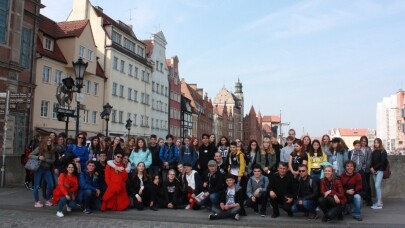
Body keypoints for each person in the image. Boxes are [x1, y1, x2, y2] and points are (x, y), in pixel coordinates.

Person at [29, 136, 55, 207]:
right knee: (37, 186)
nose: (49, 142)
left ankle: (47, 199)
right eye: (48, 140)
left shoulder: (52, 149)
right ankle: (37, 201)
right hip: (39, 168)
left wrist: (46, 160)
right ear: (45, 141)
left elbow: (53, 160)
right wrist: (38, 157)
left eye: (50, 140)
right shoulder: (40, 148)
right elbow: (30, 155)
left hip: (47, 169)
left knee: (51, 185)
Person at [370, 138, 387, 210]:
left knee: (377, 186)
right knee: (377, 186)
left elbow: (382, 162)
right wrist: (371, 168)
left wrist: (374, 168)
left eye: (377, 143)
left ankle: (379, 203)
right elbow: (371, 161)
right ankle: (379, 201)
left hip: (380, 170)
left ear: (380, 143)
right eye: (375, 143)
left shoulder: (383, 151)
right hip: (374, 171)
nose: (376, 144)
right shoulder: (373, 151)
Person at [360, 135, 373, 206]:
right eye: (362, 141)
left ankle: (369, 200)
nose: (363, 142)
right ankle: (363, 199)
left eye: (364, 141)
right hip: (359, 170)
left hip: (366, 170)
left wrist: (365, 168)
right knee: (361, 185)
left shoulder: (368, 149)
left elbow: (369, 160)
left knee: (367, 185)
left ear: (366, 142)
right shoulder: (359, 148)